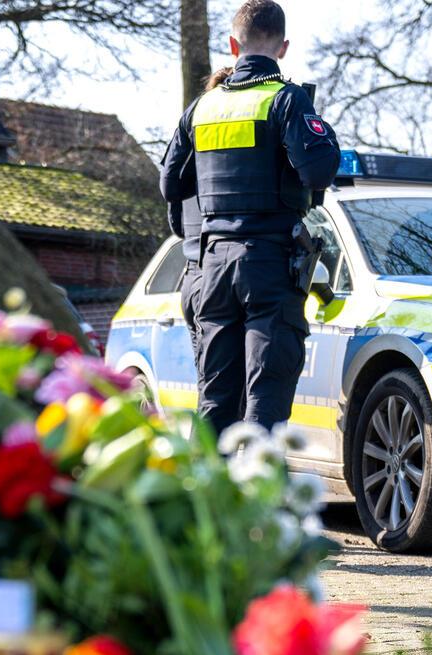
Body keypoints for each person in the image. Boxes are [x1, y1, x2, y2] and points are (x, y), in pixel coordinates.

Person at [159, 1, 339, 432]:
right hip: (270, 266)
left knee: (216, 402)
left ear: (232, 44)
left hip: (212, 267)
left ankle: (211, 496)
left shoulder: (201, 108)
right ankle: (259, 495)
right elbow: (317, 171)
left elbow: (171, 187)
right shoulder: (286, 100)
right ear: (284, 47)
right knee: (265, 401)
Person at [167, 65, 233, 365]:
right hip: (229, 273)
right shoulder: (236, 161)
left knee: (211, 386)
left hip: (194, 276)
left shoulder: (193, 143)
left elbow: (176, 223)